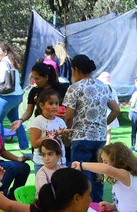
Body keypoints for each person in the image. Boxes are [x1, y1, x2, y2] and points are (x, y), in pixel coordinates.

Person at [62, 54, 120, 202]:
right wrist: (102, 124)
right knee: (98, 174)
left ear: (75, 69)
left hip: (81, 137)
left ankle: (85, 205)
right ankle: (98, 203)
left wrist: (67, 134)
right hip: (99, 138)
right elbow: (116, 110)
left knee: (81, 174)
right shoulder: (103, 87)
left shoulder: (74, 88)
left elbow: (68, 117)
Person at [10, 62, 69, 132]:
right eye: (34, 78)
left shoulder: (61, 89)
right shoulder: (34, 91)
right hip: (40, 126)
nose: (35, 81)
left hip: (57, 125)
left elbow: (69, 108)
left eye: (37, 78)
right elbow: (29, 111)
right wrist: (20, 120)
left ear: (46, 77)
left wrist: (66, 115)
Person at [0, 42, 30, 151]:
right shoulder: (12, 63)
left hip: (6, 97)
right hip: (17, 96)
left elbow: (0, 79)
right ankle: (24, 144)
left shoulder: (2, 64)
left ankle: (0, 147)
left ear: (5, 52)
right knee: (16, 120)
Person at [30, 89, 69, 173]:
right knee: (44, 185)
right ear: (41, 105)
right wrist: (52, 136)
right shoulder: (38, 121)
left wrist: (67, 135)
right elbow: (35, 144)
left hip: (60, 162)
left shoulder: (60, 121)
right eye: (51, 103)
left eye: (57, 103)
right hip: (42, 162)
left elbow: (67, 144)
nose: (55, 106)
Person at [98, 72, 120, 145]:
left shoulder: (100, 89)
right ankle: (107, 145)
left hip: (102, 114)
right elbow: (116, 103)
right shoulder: (112, 90)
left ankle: (102, 146)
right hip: (111, 114)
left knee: (100, 131)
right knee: (108, 131)